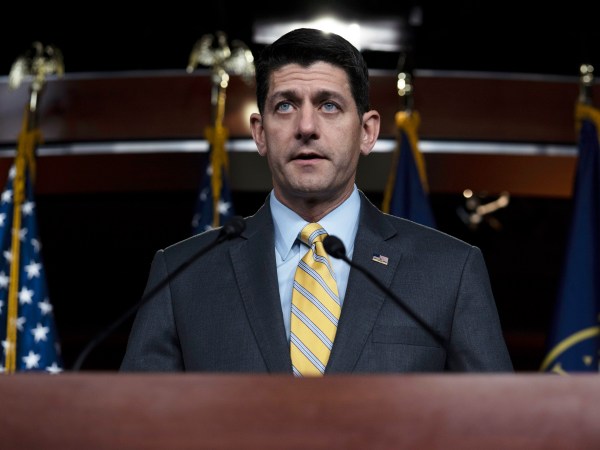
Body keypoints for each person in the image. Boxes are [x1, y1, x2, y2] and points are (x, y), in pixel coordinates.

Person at [120, 27, 513, 373]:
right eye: (285, 106)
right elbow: (135, 427)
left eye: (329, 105)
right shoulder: (182, 274)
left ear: (367, 132)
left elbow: (498, 426)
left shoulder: (450, 272)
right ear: (260, 132)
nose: (306, 127)